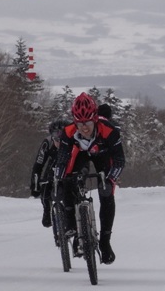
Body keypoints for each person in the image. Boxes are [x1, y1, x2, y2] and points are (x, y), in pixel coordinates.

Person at [53, 92, 125, 265]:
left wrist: (110, 179)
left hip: (103, 154)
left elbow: (120, 160)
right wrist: (59, 182)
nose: (84, 128)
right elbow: (62, 159)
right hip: (80, 155)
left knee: (106, 192)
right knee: (68, 179)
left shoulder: (110, 131)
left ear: (96, 119)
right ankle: (73, 226)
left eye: (88, 123)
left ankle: (105, 242)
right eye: (80, 124)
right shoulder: (69, 132)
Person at [30, 119, 70, 227]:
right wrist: (35, 185)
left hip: (69, 166)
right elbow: (38, 165)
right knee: (46, 186)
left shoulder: (73, 141)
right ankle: (47, 211)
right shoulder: (47, 143)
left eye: (63, 139)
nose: (60, 143)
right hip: (54, 165)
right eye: (57, 139)